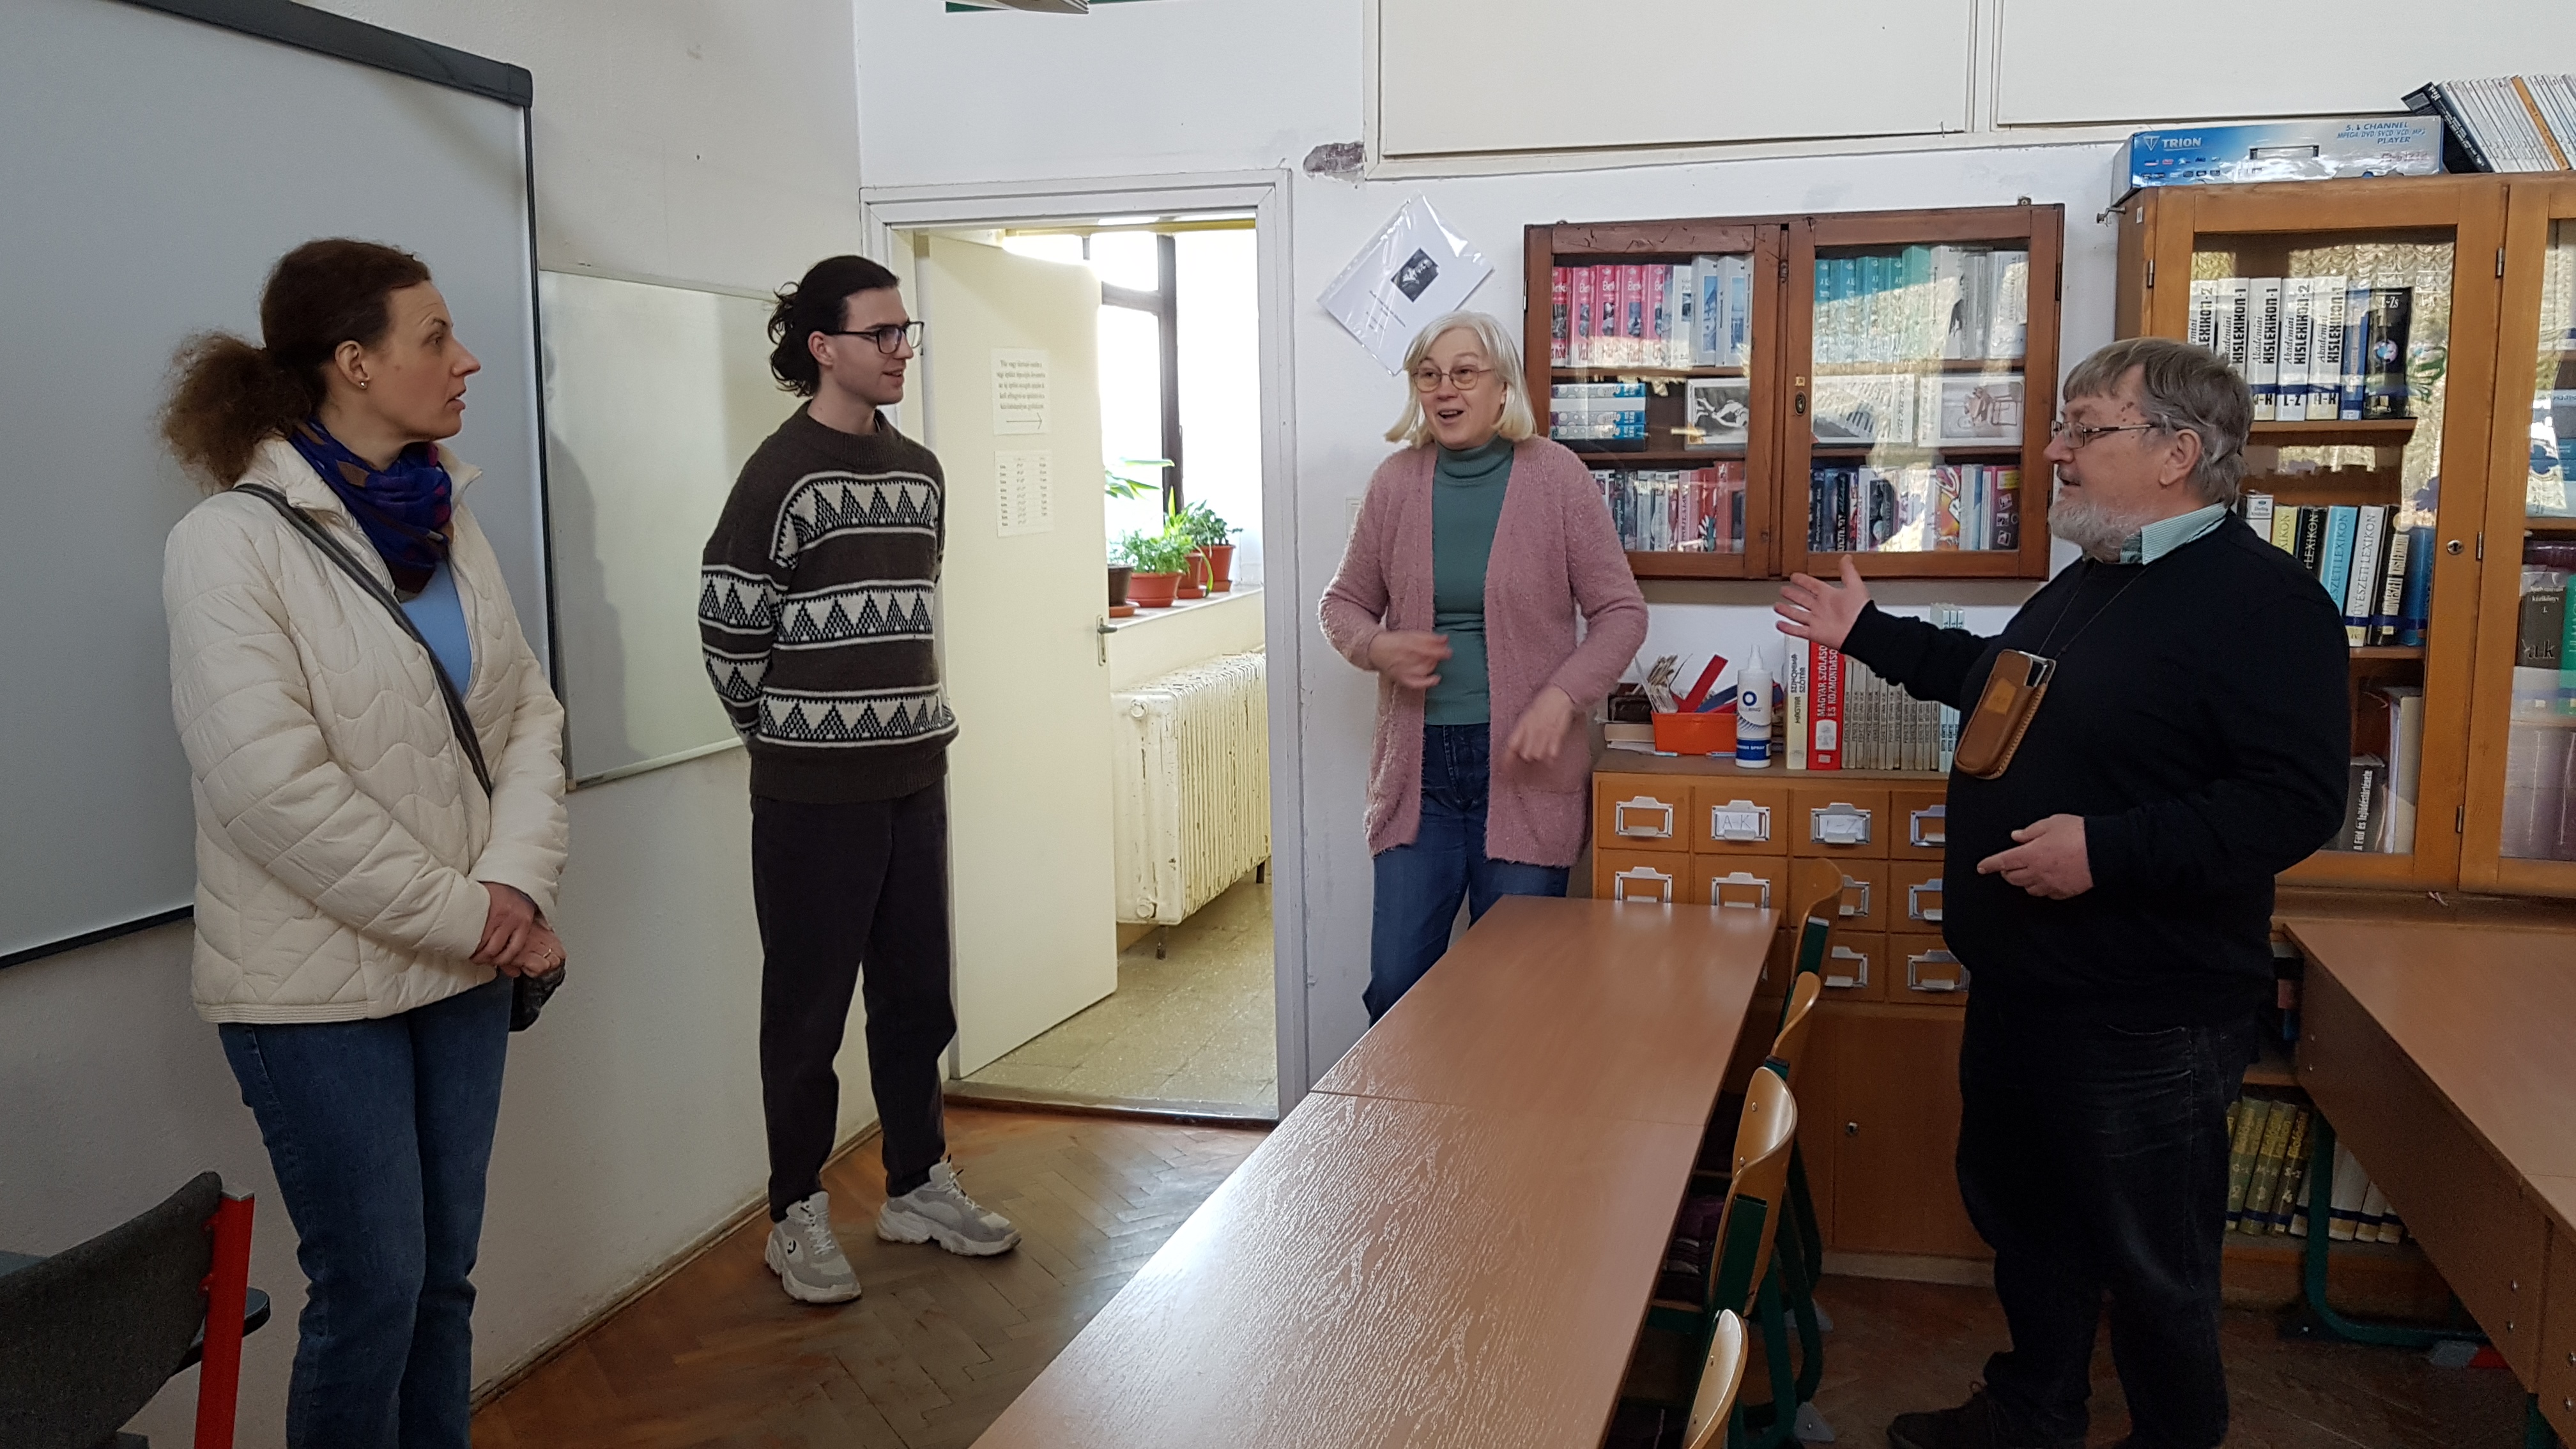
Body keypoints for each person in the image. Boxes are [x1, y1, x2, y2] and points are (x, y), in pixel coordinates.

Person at [1775, 337, 2349, 1449]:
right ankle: (2033, 1413)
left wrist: (2106, 851)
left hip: (2145, 1008)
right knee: (2029, 1228)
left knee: (2152, 1266)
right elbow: (2001, 687)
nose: (2053, 453)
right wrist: (1867, 635)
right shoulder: (2096, 579)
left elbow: (2292, 804)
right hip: (2029, 985)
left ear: (2177, 452)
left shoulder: (2264, 601)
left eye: (2084, 430)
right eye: (2060, 430)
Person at [160, 238, 569, 1448]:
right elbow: (271, 790)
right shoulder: (229, 543)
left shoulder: (445, 516)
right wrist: (481, 916)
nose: (466, 358)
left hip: (463, 966)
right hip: (316, 992)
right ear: (353, 362)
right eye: (435, 336)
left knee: (443, 1282)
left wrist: (513, 880)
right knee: (374, 1289)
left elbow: (526, 716)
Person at [698, 254, 1018, 1307]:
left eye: (905, 331)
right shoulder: (779, 474)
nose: (900, 350)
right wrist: (790, 740)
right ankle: (794, 1212)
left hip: (913, 771)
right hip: (810, 793)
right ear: (822, 348)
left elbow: (914, 598)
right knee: (806, 1013)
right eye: (880, 333)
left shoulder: (920, 470)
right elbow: (729, 628)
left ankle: (916, 1184)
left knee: (916, 995)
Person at [1321, 310, 1648, 1022]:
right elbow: (1342, 604)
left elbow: (1622, 612)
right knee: (1398, 989)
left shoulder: (1556, 478)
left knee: (1519, 1001)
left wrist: (1561, 697)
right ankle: (1411, 1107)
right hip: (1420, 779)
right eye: (1429, 375)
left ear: (1503, 388)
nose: (1446, 389)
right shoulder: (1395, 484)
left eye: (1465, 372)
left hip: (1524, 772)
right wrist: (1378, 647)